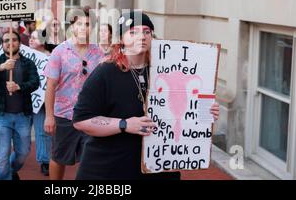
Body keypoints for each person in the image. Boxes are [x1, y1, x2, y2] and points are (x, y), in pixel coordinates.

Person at [72, 11, 220, 180]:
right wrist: (124, 124)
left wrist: (204, 112)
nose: (141, 36)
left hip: (157, 166)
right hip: (110, 169)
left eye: (146, 31)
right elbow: (80, 120)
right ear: (121, 39)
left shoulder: (166, 70)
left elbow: (183, 106)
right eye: (133, 32)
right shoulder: (105, 72)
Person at [43, 7, 104, 180]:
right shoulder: (60, 52)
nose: (84, 28)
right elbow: (50, 86)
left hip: (90, 115)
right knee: (59, 157)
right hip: (64, 115)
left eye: (87, 24)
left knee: (90, 159)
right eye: (79, 24)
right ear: (72, 26)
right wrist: (49, 116)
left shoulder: (98, 53)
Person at [0, 30, 40, 180]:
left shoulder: (28, 63)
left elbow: (35, 83)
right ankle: (5, 175)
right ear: (3, 44)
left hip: (23, 116)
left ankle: (12, 170)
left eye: (14, 40)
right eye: (6, 40)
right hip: (1, 116)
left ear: (19, 43)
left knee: (23, 152)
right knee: (2, 159)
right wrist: (1, 67)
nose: (10, 43)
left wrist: (19, 87)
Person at [29, 30, 52, 176]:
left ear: (43, 41)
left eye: (34, 38)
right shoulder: (23, 56)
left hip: (42, 102)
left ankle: (45, 161)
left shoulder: (52, 57)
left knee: (42, 131)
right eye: (30, 37)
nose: (30, 40)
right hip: (23, 100)